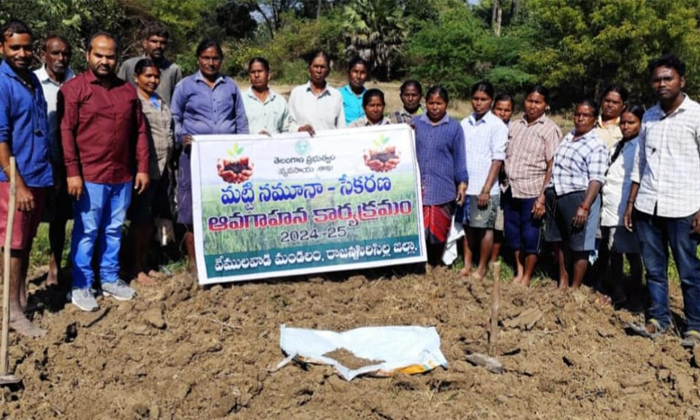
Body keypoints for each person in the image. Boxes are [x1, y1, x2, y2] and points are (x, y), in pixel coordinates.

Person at [59, 32, 150, 311]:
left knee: (113, 229)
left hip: (121, 175)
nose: (104, 61)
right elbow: (66, 132)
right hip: (89, 177)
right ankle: (81, 285)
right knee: (86, 231)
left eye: (110, 56)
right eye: (99, 55)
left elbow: (139, 131)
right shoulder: (74, 89)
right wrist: (73, 172)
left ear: (117, 58)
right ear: (87, 55)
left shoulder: (127, 92)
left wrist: (142, 168)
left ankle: (109, 279)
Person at [624, 54, 700, 347]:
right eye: (656, 79)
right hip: (648, 205)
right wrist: (631, 203)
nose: (662, 83)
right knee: (654, 270)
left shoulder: (695, 115)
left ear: (682, 80)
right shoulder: (651, 117)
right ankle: (658, 320)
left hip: (684, 207)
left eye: (668, 78)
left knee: (689, 271)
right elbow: (640, 163)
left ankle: (694, 327)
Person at [171, 39, 249, 274]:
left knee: (226, 204)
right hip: (193, 156)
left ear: (221, 61)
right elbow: (175, 117)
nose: (211, 62)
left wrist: (245, 146)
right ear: (198, 59)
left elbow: (241, 119)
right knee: (191, 206)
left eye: (215, 58)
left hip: (227, 159)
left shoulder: (231, 86)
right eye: (206, 58)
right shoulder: (185, 86)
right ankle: (194, 261)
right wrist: (181, 136)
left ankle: (224, 253)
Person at [0, 20, 53, 337]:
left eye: (27, 47)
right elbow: (1, 140)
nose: (22, 53)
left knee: (26, 242)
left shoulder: (31, 79)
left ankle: (21, 299)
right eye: (14, 47)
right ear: (2, 48)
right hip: (12, 181)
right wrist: (16, 184)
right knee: (14, 247)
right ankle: (13, 312)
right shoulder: (2, 83)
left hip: (37, 174)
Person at [503, 86, 562, 287]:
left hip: (533, 191)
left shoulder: (549, 129)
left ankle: (527, 276)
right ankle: (518, 271)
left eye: (538, 102)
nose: (532, 105)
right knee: (513, 233)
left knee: (530, 236)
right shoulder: (515, 125)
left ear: (546, 105)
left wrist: (542, 197)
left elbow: (552, 165)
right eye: (530, 100)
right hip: (511, 188)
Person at [546, 100, 606, 291]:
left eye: (586, 115)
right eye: (577, 114)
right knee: (563, 242)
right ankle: (562, 283)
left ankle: (575, 286)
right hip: (559, 194)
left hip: (580, 197)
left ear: (594, 120)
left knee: (580, 246)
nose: (580, 118)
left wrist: (585, 206)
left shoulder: (596, 144)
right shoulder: (569, 136)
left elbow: (596, 179)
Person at [127, 58, 174, 285]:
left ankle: (147, 263)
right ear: (136, 77)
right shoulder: (133, 101)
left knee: (152, 219)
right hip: (144, 170)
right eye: (148, 76)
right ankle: (136, 267)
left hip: (162, 168)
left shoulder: (158, 101)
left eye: (156, 76)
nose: (153, 80)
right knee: (140, 219)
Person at [35, 34, 74, 287]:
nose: (61, 59)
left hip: (66, 163)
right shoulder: (33, 82)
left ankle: (54, 267)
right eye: (55, 53)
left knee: (59, 219)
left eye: (65, 54)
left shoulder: (77, 82)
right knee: (28, 220)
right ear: (43, 55)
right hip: (38, 162)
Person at [413, 86, 468, 265]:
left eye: (439, 103)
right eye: (431, 103)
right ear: (425, 103)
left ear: (446, 104)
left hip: (442, 188)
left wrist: (462, 184)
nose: (435, 107)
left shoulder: (454, 127)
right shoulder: (415, 124)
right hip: (418, 186)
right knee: (420, 229)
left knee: (438, 231)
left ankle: (436, 264)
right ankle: (420, 263)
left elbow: (460, 157)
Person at [458, 82, 507, 279]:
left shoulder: (497, 126)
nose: (479, 103)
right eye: (476, 99)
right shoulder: (464, 123)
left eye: (484, 99)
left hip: (486, 188)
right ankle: (467, 265)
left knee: (486, 229)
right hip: (467, 186)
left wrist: (486, 189)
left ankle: (481, 268)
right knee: (468, 227)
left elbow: (497, 160)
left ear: (491, 101)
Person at [599, 105, 644, 307]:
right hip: (611, 204)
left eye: (631, 122)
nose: (625, 126)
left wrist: (631, 206)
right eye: (623, 123)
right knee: (614, 250)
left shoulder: (641, 146)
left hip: (627, 206)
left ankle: (634, 294)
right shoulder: (618, 145)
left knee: (633, 253)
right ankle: (618, 292)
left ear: (641, 123)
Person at [118, 22, 182, 105]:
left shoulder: (173, 70)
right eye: (154, 41)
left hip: (163, 116)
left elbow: (178, 102)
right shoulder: (129, 66)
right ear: (145, 43)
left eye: (162, 42)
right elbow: (118, 94)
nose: (158, 46)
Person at [288, 51, 345, 135]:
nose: (319, 70)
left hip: (329, 145)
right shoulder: (297, 93)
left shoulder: (336, 95)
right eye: (315, 66)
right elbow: (288, 124)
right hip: (303, 145)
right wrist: (299, 129)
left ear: (328, 70)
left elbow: (341, 127)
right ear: (309, 68)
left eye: (322, 67)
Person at [489, 93, 514, 266]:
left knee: (499, 224)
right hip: (486, 181)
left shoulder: (514, 129)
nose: (503, 113)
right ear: (493, 109)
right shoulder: (487, 125)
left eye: (507, 110)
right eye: (499, 109)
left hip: (505, 184)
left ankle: (494, 259)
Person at [241, 57, 289, 135]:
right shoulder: (241, 100)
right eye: (253, 72)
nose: (256, 75)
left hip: (275, 146)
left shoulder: (280, 101)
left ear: (269, 75)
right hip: (250, 146)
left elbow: (285, 130)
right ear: (249, 76)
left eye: (260, 71)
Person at [339, 57, 368, 125]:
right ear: (349, 73)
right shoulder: (339, 94)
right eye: (355, 72)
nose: (358, 76)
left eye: (362, 73)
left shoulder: (369, 96)